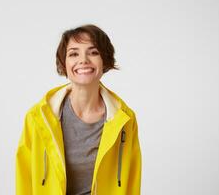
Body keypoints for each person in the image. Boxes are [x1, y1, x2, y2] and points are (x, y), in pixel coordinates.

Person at [16, 24, 142, 195]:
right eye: (74, 53)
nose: (83, 60)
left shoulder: (124, 119)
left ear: (104, 60)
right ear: (64, 63)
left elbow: (131, 182)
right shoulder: (38, 117)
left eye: (93, 52)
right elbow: (24, 179)